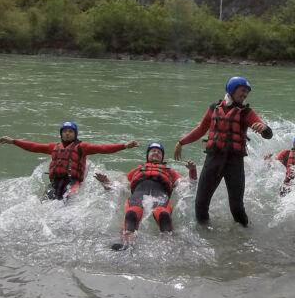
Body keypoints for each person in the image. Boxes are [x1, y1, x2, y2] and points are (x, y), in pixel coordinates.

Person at [173, 76, 273, 226]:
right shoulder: (214, 108)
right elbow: (201, 129)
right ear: (232, 89)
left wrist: (265, 129)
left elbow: (268, 133)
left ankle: (244, 239)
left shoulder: (246, 112)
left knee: (237, 208)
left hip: (234, 162)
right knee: (200, 205)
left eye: (247, 92)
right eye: (242, 90)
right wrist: (181, 142)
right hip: (213, 160)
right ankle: (205, 237)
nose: (245, 94)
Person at [0, 122, 138, 201]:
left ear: (75, 134)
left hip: (73, 182)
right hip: (55, 182)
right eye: (64, 131)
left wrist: (124, 146)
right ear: (61, 134)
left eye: (71, 131)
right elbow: (34, 146)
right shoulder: (53, 147)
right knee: (44, 203)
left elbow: (103, 148)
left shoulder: (82, 147)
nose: (67, 133)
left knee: (66, 201)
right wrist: (14, 141)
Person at [94, 142, 197, 248]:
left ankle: (168, 246)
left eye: (159, 152)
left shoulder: (170, 172)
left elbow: (188, 185)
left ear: (162, 157)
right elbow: (120, 187)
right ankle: (126, 242)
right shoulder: (137, 170)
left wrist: (192, 171)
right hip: (138, 196)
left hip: (161, 197)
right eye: (153, 151)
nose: (156, 153)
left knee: (163, 215)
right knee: (131, 213)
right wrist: (106, 182)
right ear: (147, 155)